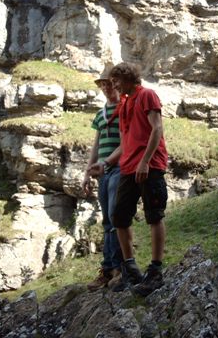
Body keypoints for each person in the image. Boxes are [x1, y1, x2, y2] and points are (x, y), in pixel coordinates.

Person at [91, 62, 169, 297]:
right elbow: (124, 142)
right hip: (128, 167)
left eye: (116, 80)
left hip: (149, 165)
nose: (113, 85)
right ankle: (130, 269)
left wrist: (145, 161)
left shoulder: (147, 95)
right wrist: (106, 163)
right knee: (119, 217)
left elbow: (157, 129)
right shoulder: (124, 104)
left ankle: (155, 270)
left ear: (127, 78)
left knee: (154, 215)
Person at [82, 67, 124, 291]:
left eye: (109, 83)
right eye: (103, 85)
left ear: (116, 84)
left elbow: (126, 141)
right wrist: (87, 172)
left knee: (115, 216)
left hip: (118, 168)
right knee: (107, 220)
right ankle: (108, 269)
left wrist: (107, 162)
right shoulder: (100, 114)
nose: (106, 88)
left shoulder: (124, 108)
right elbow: (96, 145)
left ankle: (118, 268)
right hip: (102, 172)